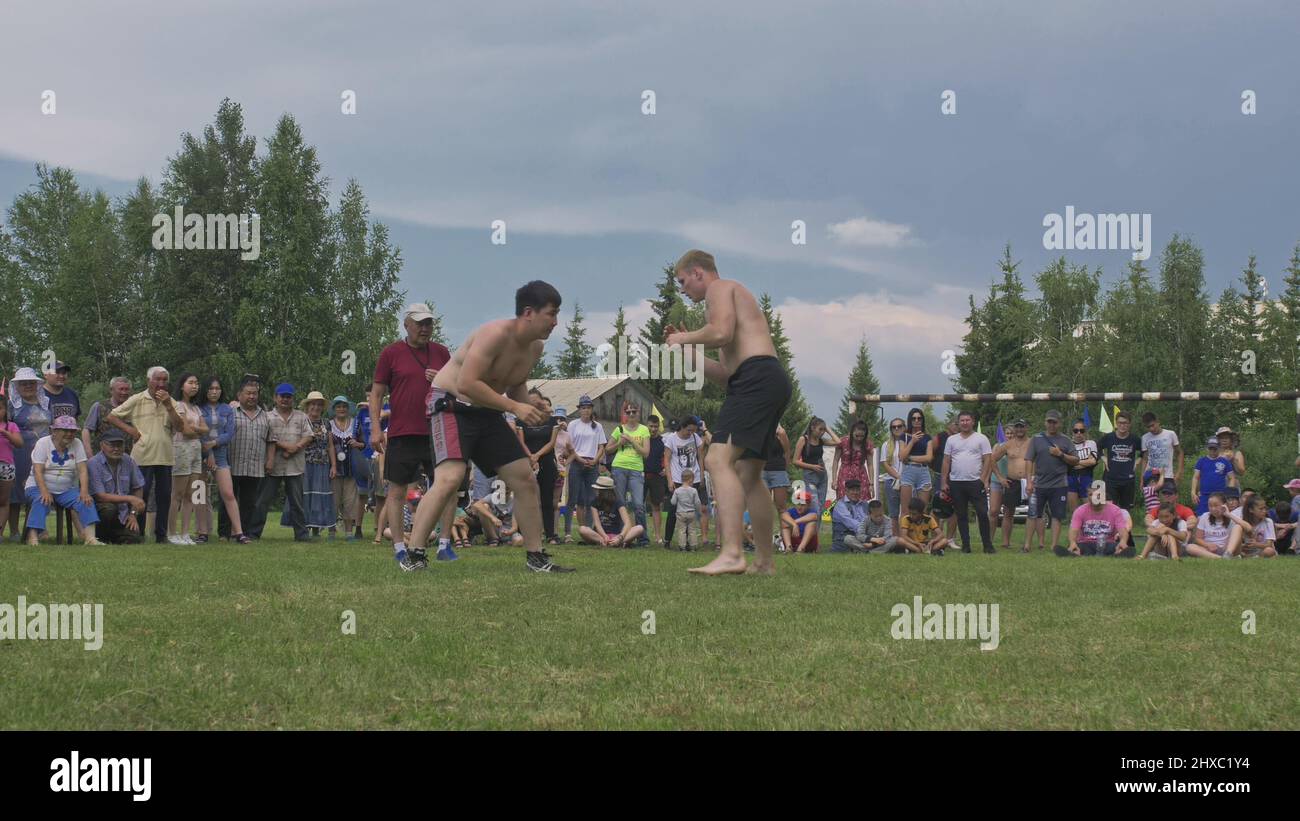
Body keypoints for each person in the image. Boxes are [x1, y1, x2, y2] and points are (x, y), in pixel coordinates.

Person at [407, 280, 574, 573]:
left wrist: (532, 409)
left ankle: (536, 558)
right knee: (450, 477)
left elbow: (516, 385)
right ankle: (413, 555)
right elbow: (467, 383)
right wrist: (514, 407)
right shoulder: (493, 334)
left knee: (524, 478)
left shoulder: (535, 348)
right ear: (528, 312)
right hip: (451, 404)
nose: (555, 322)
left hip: (486, 411)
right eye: (551, 313)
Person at [371, 304, 454, 566]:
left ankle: (444, 544)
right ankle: (398, 547)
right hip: (402, 432)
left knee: (447, 489)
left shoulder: (442, 353)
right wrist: (375, 428)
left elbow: (458, 388)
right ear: (406, 324)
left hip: (437, 431)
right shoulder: (391, 353)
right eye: (419, 323)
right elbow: (376, 393)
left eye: (429, 323)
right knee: (395, 491)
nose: (425, 328)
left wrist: (442, 378)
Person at [108, 366, 188, 543]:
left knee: (164, 497)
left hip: (165, 456)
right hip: (142, 456)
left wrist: (168, 405)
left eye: (164, 380)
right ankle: (139, 534)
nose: (161, 384)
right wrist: (130, 430)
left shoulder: (172, 402)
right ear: (148, 381)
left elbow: (180, 427)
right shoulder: (137, 399)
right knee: (140, 496)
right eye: (157, 379)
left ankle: (161, 535)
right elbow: (112, 416)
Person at [22, 416, 102, 544]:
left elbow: (82, 470)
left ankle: (90, 538)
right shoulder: (43, 443)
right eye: (65, 430)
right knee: (41, 499)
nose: (70, 434)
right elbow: (38, 470)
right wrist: (44, 491)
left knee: (86, 500)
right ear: (54, 431)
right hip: (37, 486)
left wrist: (84, 491)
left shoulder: (77, 443)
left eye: (72, 431)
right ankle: (32, 537)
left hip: (66, 489)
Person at [255, 383, 313, 542]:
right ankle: (254, 533)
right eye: (282, 396)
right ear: (275, 397)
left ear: (293, 399)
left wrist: (297, 447)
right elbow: (266, 438)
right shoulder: (267, 417)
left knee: (297, 503)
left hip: (295, 466)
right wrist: (287, 447)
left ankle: (301, 535)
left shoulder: (301, 416)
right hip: (272, 465)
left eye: (289, 397)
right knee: (262, 501)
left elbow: (309, 435)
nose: (285, 400)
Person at [198, 377, 247, 544]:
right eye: (210, 388)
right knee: (201, 494)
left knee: (228, 493)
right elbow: (199, 434)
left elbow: (229, 433)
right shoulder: (198, 409)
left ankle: (239, 533)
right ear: (205, 390)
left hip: (221, 455)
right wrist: (208, 452)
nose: (214, 391)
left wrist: (214, 443)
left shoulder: (227, 409)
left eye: (217, 388)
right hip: (200, 455)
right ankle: (202, 533)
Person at [1023, 410, 1079, 553]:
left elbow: (1075, 460)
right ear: (1045, 422)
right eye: (1049, 422)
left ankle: (1054, 546)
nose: (1051, 425)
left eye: (1054, 422)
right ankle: (1027, 545)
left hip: (1059, 484)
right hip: (1039, 483)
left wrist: (1060, 454)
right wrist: (1029, 481)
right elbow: (1029, 460)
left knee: (1057, 516)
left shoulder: (1066, 440)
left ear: (1059, 423)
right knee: (1033, 514)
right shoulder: (1036, 439)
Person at [7, 368, 51, 541]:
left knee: (39, 490)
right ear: (16, 386)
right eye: (23, 383)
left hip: (43, 453)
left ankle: (36, 529)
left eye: (31, 383)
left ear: (37, 384)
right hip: (18, 453)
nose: (27, 386)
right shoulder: (12, 405)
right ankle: (14, 532)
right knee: (16, 493)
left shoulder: (46, 403)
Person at [940, 410, 994, 553]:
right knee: (961, 515)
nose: (965, 423)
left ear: (973, 421)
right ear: (958, 423)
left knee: (982, 513)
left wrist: (984, 479)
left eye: (967, 420)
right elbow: (946, 461)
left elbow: (988, 459)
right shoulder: (952, 440)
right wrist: (943, 482)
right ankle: (966, 545)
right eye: (962, 421)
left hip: (976, 482)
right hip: (956, 482)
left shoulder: (981, 438)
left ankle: (987, 545)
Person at [223, 378, 270, 543]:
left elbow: (271, 440)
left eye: (254, 393)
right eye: (248, 393)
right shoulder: (230, 412)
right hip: (232, 463)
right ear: (239, 395)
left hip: (254, 466)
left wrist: (269, 460)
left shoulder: (265, 415)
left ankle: (243, 533)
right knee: (228, 498)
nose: (252, 396)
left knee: (249, 502)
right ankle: (224, 533)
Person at [167, 372, 209, 545]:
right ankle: (172, 533)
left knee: (191, 494)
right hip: (181, 449)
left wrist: (196, 428)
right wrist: (196, 429)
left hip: (195, 450)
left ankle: (185, 533)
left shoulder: (196, 408)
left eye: (196, 382)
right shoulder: (177, 405)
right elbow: (185, 430)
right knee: (177, 493)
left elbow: (205, 429)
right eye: (191, 382)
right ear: (182, 385)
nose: (195, 386)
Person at [516, 389, 561, 545]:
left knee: (547, 500)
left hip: (546, 462)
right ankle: (526, 533)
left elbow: (551, 443)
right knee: (528, 499)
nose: (533, 403)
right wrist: (530, 457)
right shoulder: (522, 419)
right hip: (527, 462)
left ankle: (550, 534)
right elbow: (521, 441)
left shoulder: (551, 421)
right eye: (530, 400)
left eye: (536, 400)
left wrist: (537, 456)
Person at [87, 428, 146, 544]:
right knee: (108, 509)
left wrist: (133, 514)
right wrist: (130, 498)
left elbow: (138, 487)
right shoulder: (93, 463)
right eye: (112, 445)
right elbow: (100, 496)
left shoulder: (128, 461)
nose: (116, 449)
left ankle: (116, 536)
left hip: (123, 513)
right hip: (100, 512)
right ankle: (100, 537)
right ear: (102, 445)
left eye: (119, 445)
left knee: (134, 540)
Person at [565, 395, 607, 547]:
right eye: (583, 408)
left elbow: (602, 445)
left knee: (591, 500)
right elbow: (569, 446)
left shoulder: (597, 426)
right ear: (579, 410)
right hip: (577, 462)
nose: (586, 411)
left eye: (588, 408)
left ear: (591, 409)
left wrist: (596, 460)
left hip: (592, 463)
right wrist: (579, 458)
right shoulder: (573, 425)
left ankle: (589, 532)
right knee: (573, 499)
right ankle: (568, 533)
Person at [662, 415, 710, 547]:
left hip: (694, 478)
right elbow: (666, 460)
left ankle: (689, 541)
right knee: (673, 511)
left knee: (692, 511)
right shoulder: (671, 439)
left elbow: (700, 458)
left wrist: (700, 476)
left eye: (693, 430)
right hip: (678, 479)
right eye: (689, 430)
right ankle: (667, 539)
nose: (691, 433)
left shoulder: (696, 438)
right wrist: (670, 480)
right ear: (682, 427)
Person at [607, 402, 650, 545]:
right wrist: (620, 443)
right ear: (625, 414)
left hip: (636, 469)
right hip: (619, 467)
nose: (631, 414)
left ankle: (642, 538)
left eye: (634, 412)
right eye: (628, 412)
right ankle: (621, 536)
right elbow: (607, 450)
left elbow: (645, 453)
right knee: (621, 504)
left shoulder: (644, 430)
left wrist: (631, 440)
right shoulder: (619, 429)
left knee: (638, 504)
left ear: (639, 413)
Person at [295, 391, 336, 538]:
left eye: (319, 405)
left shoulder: (326, 423)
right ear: (307, 405)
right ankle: (303, 527)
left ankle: (316, 529)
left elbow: (330, 446)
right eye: (313, 404)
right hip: (304, 463)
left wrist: (334, 465)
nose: (316, 407)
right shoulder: (301, 420)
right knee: (304, 495)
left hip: (322, 464)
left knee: (319, 496)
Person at [1097, 410, 1142, 537]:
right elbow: (1097, 447)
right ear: (1116, 424)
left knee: (1125, 510)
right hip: (1111, 478)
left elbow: (1144, 451)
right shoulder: (1109, 437)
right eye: (1120, 423)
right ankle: (1109, 535)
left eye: (1126, 423)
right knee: (1109, 507)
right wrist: (1103, 458)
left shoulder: (1134, 439)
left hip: (1128, 479)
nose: (1123, 426)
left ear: (1130, 424)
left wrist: (1138, 461)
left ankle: (1125, 536)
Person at [353, 389, 389, 542]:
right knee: (361, 494)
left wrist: (370, 404)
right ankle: (358, 528)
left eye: (373, 395)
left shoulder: (387, 409)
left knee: (381, 496)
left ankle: (377, 530)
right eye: (367, 395)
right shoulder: (361, 413)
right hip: (364, 455)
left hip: (380, 456)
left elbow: (384, 414)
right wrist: (359, 445)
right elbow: (355, 434)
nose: (370, 398)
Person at [1058, 485, 1133, 557]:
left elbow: (1123, 531)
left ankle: (1119, 553)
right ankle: (1074, 552)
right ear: (1088, 497)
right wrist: (1072, 542)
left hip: (1107, 543)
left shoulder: (1115, 510)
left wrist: (1123, 541)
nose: (1094, 497)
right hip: (1086, 543)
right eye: (1091, 494)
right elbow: (1073, 530)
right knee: (1078, 547)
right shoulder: (1080, 510)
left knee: (1116, 547)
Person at [990, 419, 1029, 550]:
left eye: (1021, 427)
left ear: (1026, 428)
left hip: (1028, 480)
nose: (1019, 430)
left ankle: (1034, 543)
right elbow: (992, 459)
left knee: (1034, 512)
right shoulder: (1006, 445)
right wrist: (1000, 478)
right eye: (1017, 427)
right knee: (1007, 511)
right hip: (1010, 480)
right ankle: (1004, 542)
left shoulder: (1032, 443)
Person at [328, 396, 362, 541]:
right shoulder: (328, 425)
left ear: (348, 409)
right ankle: (331, 532)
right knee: (333, 501)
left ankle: (349, 533)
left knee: (350, 501)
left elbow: (365, 444)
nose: (341, 409)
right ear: (334, 409)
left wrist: (358, 444)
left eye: (344, 406)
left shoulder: (355, 424)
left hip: (351, 469)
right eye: (338, 406)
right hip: (333, 470)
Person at [578, 474, 646, 547]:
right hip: (600, 534)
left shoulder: (618, 502)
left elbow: (627, 523)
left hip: (617, 535)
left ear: (604, 491)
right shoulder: (594, 502)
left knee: (639, 528)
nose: (595, 491)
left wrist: (620, 537)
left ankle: (617, 542)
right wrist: (604, 536)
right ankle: (606, 541)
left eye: (598, 489)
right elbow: (597, 524)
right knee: (582, 529)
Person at [896, 408, 934, 526]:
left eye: (919, 418)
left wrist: (910, 457)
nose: (916, 421)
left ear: (922, 420)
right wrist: (912, 441)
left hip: (923, 471)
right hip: (908, 472)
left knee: (923, 510)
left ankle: (921, 538)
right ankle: (905, 539)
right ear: (910, 420)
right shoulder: (904, 436)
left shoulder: (927, 437)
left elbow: (929, 458)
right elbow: (901, 457)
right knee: (906, 510)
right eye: (914, 418)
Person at [83, 376, 133, 456]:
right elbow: (87, 430)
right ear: (111, 390)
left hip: (129, 458)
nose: (124, 392)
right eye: (121, 389)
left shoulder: (134, 408)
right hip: (103, 459)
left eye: (126, 389)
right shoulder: (99, 407)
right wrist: (89, 453)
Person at [793, 417, 833, 515]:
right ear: (812, 428)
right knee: (814, 506)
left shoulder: (821, 440)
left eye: (824, 430)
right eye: (820, 429)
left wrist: (828, 429)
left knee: (821, 507)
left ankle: (816, 530)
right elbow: (795, 461)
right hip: (810, 476)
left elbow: (838, 442)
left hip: (822, 477)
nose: (822, 432)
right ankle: (810, 529)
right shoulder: (803, 439)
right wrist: (812, 467)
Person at [1138, 411, 1182, 490]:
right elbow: (1145, 459)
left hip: (1167, 475)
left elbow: (1179, 453)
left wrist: (1179, 472)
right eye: (1148, 427)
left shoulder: (1170, 434)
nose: (1151, 429)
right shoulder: (1145, 438)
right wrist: (1142, 479)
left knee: (1168, 500)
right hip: (1150, 476)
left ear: (1157, 422)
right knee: (1152, 502)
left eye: (1152, 425)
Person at [832, 420, 873, 504]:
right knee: (844, 500)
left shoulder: (867, 444)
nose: (859, 438)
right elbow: (835, 461)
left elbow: (870, 464)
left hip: (861, 475)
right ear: (852, 432)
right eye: (857, 435)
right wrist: (834, 479)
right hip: (845, 474)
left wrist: (871, 484)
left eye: (862, 436)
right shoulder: (843, 442)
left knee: (861, 501)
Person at [643, 414, 669, 545]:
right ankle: (639, 534)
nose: (653, 429)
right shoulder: (642, 438)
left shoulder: (663, 441)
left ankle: (658, 536)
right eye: (651, 426)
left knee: (656, 506)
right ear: (646, 425)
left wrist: (665, 469)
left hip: (657, 476)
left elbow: (667, 456)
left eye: (656, 426)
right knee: (638, 506)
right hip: (641, 475)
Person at [1191, 437, 1234, 516]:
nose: (1213, 451)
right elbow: (1195, 477)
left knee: (1221, 516)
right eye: (1211, 448)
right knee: (1202, 517)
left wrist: (1229, 493)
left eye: (1215, 448)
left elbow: (1231, 478)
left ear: (1219, 448)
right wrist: (1193, 492)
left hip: (1220, 495)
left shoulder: (1225, 461)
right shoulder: (1201, 461)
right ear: (1207, 448)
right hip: (1204, 495)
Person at [1065, 419, 1099, 517]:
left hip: (1086, 478)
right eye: (1076, 431)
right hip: (1071, 478)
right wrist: (1085, 462)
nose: (1079, 433)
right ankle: (1077, 531)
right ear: (1073, 432)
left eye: (1081, 430)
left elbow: (1093, 461)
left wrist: (1075, 461)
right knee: (1074, 512)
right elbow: (1067, 462)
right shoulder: (1068, 445)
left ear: (1085, 432)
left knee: (1090, 509)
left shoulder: (1091, 443)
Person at [879, 417, 906, 533]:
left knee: (907, 512)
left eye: (899, 426)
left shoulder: (909, 442)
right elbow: (885, 463)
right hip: (891, 481)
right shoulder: (886, 444)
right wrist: (898, 477)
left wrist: (904, 478)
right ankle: (895, 540)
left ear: (904, 427)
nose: (896, 428)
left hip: (908, 481)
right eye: (893, 427)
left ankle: (907, 538)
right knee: (893, 513)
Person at [1190, 493, 1237, 558]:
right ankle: (1219, 558)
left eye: (1216, 506)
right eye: (1210, 506)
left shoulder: (1232, 517)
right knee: (1190, 547)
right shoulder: (1204, 517)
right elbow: (1197, 539)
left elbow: (1246, 530)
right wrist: (1207, 545)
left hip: (1227, 548)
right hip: (1209, 549)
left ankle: (1227, 555)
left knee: (1237, 528)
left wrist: (1228, 515)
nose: (1213, 509)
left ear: (1224, 505)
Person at [829, 478, 868, 552]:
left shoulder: (865, 504)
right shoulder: (840, 505)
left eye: (857, 490)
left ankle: (866, 548)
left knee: (891, 539)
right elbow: (852, 524)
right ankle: (871, 549)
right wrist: (869, 534)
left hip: (864, 536)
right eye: (852, 490)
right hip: (846, 539)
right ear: (846, 491)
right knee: (848, 539)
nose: (855, 492)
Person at [667, 469, 703, 550]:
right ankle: (693, 546)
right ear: (690, 479)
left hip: (680, 513)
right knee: (692, 530)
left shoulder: (677, 491)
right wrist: (699, 511)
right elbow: (697, 502)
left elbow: (673, 502)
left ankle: (682, 546)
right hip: (691, 513)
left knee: (681, 530)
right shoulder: (694, 490)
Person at [0, 399, 19, 540]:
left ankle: (0, 533)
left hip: (6, 466)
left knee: (4, 500)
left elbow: (20, 443)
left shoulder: (11, 426)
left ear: (5, 410)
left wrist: (6, 433)